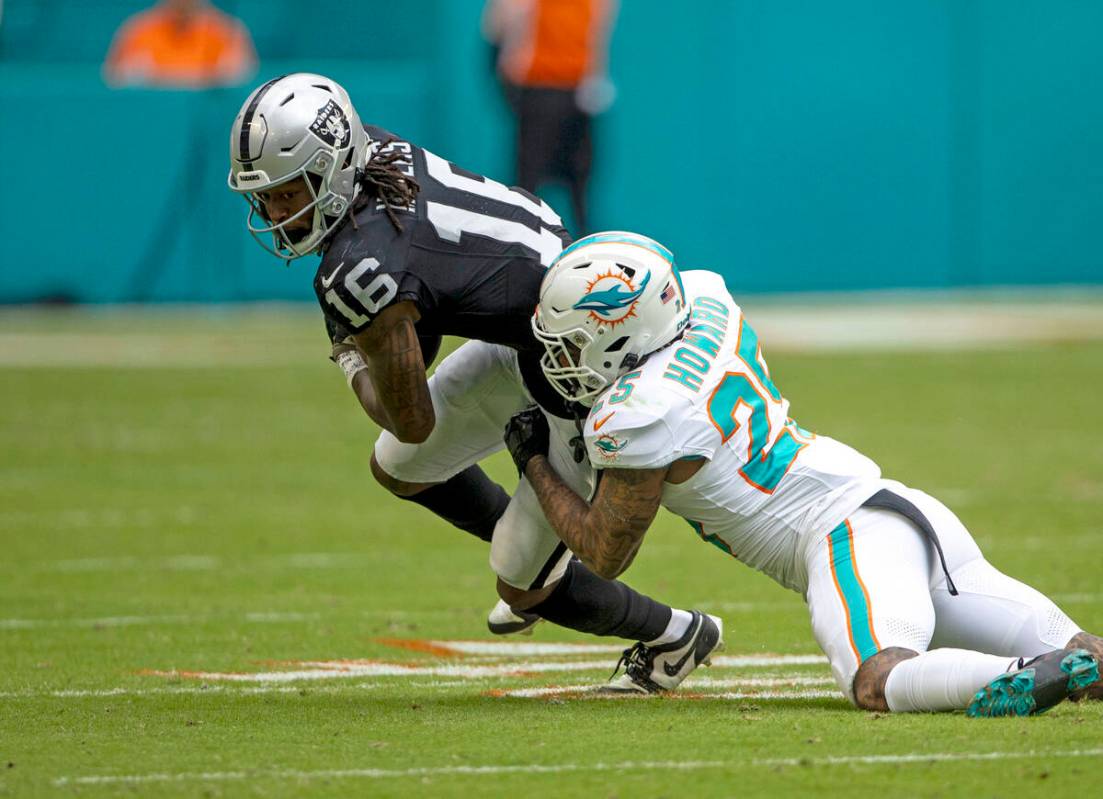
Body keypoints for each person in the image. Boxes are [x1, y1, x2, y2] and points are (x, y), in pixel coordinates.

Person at [225, 74, 722, 693]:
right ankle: (544, 544)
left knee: (521, 584)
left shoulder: (360, 263)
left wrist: (351, 355)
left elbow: (409, 414)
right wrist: (391, 328)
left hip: (575, 368)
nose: (276, 213)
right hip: (529, 324)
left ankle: (675, 633)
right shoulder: (375, 155)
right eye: (266, 197)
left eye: (286, 192)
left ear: (331, 165)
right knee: (401, 465)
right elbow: (425, 297)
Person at [503, 230, 1103, 713]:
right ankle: (1052, 667)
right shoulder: (705, 302)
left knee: (879, 680)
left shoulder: (638, 415)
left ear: (626, 333)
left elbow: (605, 552)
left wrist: (533, 461)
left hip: (844, 536)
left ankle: (1017, 679)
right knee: (1086, 658)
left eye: (572, 344)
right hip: (898, 508)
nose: (561, 360)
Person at [482, 0, 618, 234]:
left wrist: (594, 78)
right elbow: (496, 28)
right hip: (536, 89)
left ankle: (586, 247)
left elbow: (598, 32)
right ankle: (517, 240)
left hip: (578, 92)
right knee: (529, 179)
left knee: (580, 176)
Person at [104, 0, 256, 89]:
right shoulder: (136, 31)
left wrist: (158, 78)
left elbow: (240, 80)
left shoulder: (228, 32)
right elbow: (115, 82)